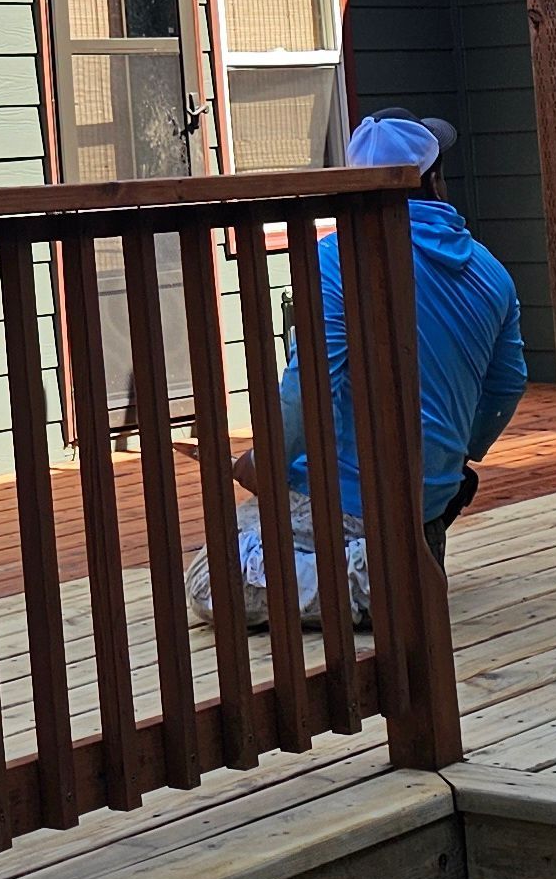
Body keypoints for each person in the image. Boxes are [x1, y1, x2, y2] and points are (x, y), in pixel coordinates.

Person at [190, 109, 525, 626]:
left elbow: (310, 390)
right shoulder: (491, 270)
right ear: (434, 180)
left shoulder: (338, 258)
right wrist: (456, 457)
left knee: (209, 578)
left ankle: (375, 579)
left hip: (349, 499)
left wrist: (263, 462)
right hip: (430, 497)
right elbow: (508, 384)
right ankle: (402, 558)